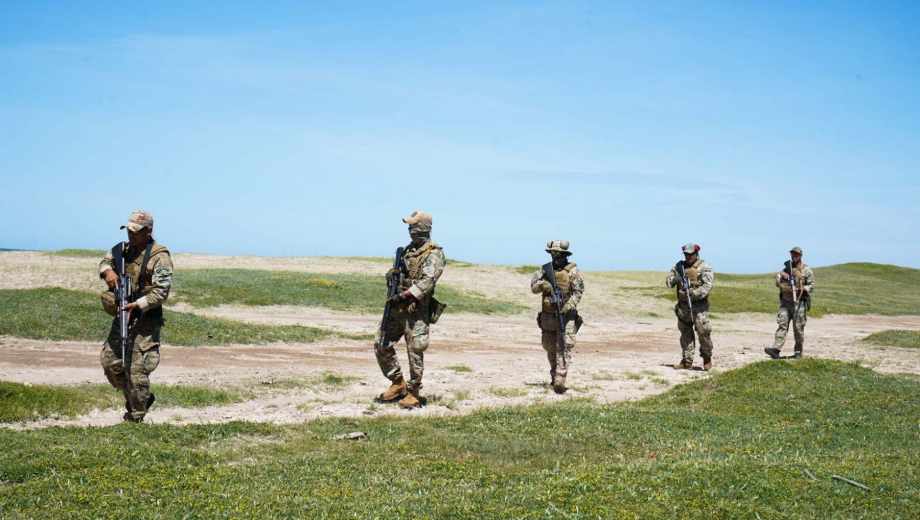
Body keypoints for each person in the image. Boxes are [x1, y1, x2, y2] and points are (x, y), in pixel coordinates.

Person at [99, 210, 173, 422]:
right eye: (129, 231)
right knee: (110, 361)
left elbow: (161, 292)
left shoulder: (159, 256)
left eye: (136, 231)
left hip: (145, 318)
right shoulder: (122, 250)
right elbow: (104, 262)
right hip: (123, 314)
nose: (131, 235)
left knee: (136, 370)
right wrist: (108, 272)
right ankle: (136, 398)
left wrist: (138, 304)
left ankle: (136, 415)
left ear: (148, 231)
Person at [374, 210, 446, 409]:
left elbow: (427, 281)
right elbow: (400, 274)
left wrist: (406, 295)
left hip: (416, 311)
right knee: (381, 343)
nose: (410, 230)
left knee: (415, 350)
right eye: (410, 227)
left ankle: (413, 392)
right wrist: (393, 276)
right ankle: (397, 382)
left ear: (423, 228)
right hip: (397, 308)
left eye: (413, 226)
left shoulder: (434, 253)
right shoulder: (407, 251)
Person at [530, 240, 585, 393]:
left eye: (558, 254)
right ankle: (554, 375)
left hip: (566, 317)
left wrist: (568, 306)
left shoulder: (572, 271)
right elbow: (533, 288)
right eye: (553, 253)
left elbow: (578, 291)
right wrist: (543, 285)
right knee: (549, 346)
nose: (555, 256)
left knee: (564, 346)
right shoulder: (544, 270)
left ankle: (560, 379)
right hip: (548, 316)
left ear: (565, 255)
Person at [665, 243, 715, 370]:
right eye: (686, 254)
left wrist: (693, 293)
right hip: (683, 307)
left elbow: (707, 286)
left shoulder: (705, 267)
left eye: (690, 254)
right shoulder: (679, 266)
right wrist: (675, 279)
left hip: (699, 308)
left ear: (696, 253)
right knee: (686, 335)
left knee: (704, 333)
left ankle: (707, 358)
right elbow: (668, 282)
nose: (688, 257)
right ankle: (687, 361)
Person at [765, 246, 815, 359]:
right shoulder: (786, 269)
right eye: (793, 254)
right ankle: (776, 350)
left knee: (798, 329)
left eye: (796, 254)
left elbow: (811, 285)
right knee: (782, 325)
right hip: (786, 302)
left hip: (799, 303)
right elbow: (777, 282)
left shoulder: (807, 270)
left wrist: (802, 288)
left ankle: (798, 352)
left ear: (800, 256)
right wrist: (781, 277)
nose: (794, 256)